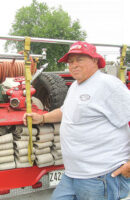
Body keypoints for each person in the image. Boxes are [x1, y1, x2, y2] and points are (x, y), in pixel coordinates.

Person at [23, 41, 130, 200]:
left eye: (79, 59)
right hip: (73, 173)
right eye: (70, 61)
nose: (74, 65)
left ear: (95, 60)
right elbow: (65, 111)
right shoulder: (75, 86)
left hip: (101, 175)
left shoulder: (108, 85)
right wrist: (43, 117)